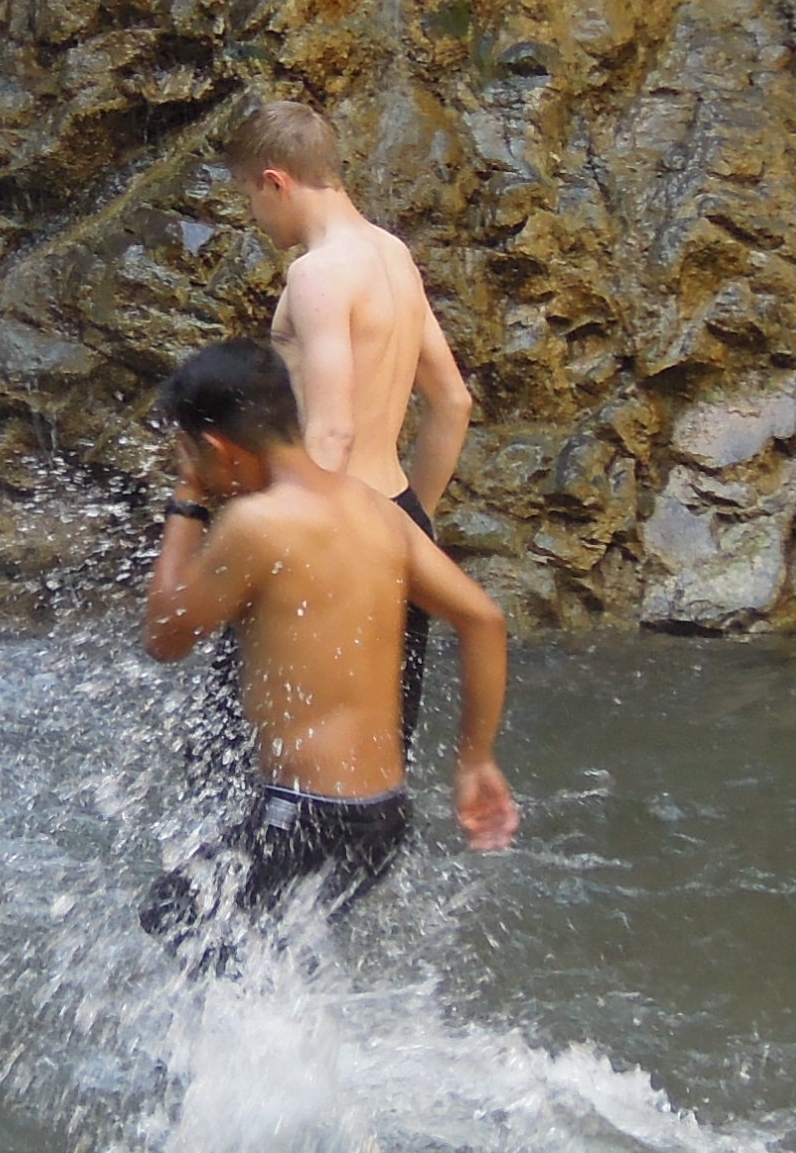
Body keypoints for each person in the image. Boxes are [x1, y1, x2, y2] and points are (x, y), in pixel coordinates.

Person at [138, 340, 514, 970]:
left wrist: (188, 499)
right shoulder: (376, 510)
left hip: (308, 816)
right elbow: (484, 619)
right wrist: (474, 759)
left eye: (192, 455)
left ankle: (248, 1039)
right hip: (382, 819)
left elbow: (165, 636)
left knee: (177, 916)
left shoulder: (256, 524)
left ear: (218, 449)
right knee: (266, 957)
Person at [222, 100, 478, 749]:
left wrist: (291, 548)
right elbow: (452, 403)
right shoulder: (393, 256)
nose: (254, 216)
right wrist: (412, 522)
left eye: (249, 197)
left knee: (241, 748)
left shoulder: (317, 274)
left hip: (329, 528)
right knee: (378, 752)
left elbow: (332, 434)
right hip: (394, 518)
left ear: (275, 181)